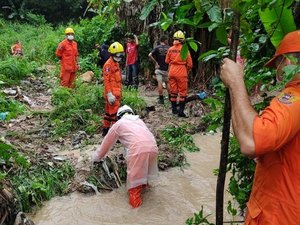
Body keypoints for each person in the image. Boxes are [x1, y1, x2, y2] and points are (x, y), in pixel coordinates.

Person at [220, 30, 300, 225]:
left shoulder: (296, 97)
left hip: (279, 216)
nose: (277, 72)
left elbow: (251, 142)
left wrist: (236, 82)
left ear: (288, 62)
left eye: (278, 65)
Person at [92, 105, 159, 208]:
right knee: (144, 181)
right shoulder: (140, 121)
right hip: (153, 148)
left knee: (134, 188)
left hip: (138, 150)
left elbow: (106, 145)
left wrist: (96, 158)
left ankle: (136, 214)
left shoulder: (119, 124)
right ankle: (148, 203)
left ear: (119, 116)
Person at [165, 30, 193, 117]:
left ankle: (174, 110)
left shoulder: (170, 49)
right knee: (182, 92)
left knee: (173, 91)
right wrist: (186, 70)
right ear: (182, 40)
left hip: (172, 71)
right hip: (181, 71)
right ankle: (181, 111)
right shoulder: (185, 50)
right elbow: (190, 64)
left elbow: (166, 61)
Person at [102, 41, 125, 137]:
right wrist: (109, 94)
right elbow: (106, 81)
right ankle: (116, 135)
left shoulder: (116, 64)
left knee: (108, 114)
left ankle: (105, 131)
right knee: (115, 115)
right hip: (112, 94)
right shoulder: (108, 65)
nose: (119, 57)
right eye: (118, 54)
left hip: (116, 92)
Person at [148, 35, 170, 104]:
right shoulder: (169, 48)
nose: (168, 41)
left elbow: (149, 55)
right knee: (167, 83)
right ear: (165, 40)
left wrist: (156, 62)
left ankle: (161, 99)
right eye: (167, 40)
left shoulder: (157, 48)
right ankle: (170, 98)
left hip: (159, 69)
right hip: (167, 69)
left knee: (159, 83)